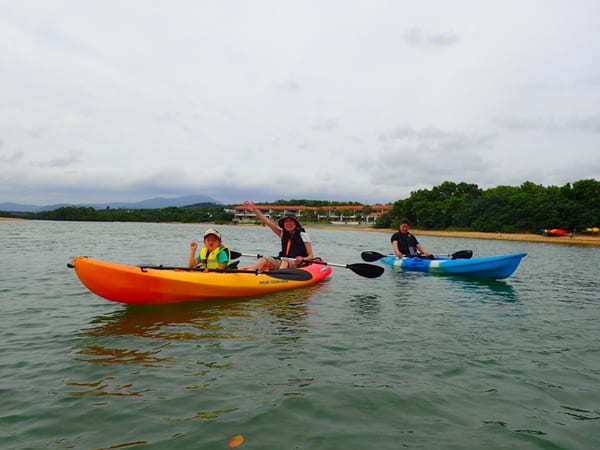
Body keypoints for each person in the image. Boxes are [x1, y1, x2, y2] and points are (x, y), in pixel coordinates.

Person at [242, 201, 314, 270]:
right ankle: (250, 272)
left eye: (291, 221)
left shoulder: (303, 235)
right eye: (286, 222)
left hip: (297, 263)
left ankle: (278, 276)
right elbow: (268, 222)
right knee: (265, 259)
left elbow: (311, 256)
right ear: (284, 224)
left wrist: (303, 259)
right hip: (283, 261)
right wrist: (255, 210)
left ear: (295, 224)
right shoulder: (283, 234)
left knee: (285, 261)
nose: (288, 224)